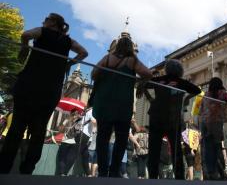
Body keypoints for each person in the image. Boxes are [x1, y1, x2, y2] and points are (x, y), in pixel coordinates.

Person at [0, 13, 88, 174]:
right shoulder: (67, 40)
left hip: (29, 85)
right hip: (50, 90)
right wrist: (68, 63)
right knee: (39, 131)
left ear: (53, 22)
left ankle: (4, 166)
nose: (43, 21)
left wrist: (24, 49)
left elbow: (26, 34)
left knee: (17, 127)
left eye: (46, 19)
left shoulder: (43, 31)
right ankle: (28, 168)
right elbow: (84, 52)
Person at [91, 36, 152, 177]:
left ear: (117, 47)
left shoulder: (107, 59)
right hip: (123, 105)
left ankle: (102, 171)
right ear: (131, 48)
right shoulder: (132, 60)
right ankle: (114, 171)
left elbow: (94, 74)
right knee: (121, 139)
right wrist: (141, 84)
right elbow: (148, 74)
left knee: (102, 138)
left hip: (105, 104)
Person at [140, 59, 201, 180]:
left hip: (156, 117)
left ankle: (153, 177)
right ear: (180, 71)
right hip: (173, 119)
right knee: (176, 150)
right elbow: (198, 90)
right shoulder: (181, 82)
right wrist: (187, 98)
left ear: (167, 69)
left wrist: (150, 99)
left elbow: (143, 84)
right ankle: (179, 178)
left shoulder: (159, 80)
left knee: (154, 150)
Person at [199, 77, 227, 180]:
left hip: (204, 124)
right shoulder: (222, 94)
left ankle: (210, 172)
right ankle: (218, 173)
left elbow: (200, 111)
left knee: (208, 149)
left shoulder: (205, 95)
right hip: (216, 124)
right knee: (217, 148)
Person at [55, 110, 81, 176]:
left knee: (62, 158)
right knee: (69, 159)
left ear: (70, 113)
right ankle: (65, 172)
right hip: (73, 142)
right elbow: (78, 133)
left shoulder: (67, 120)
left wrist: (62, 127)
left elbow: (60, 130)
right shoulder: (78, 122)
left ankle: (62, 173)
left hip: (65, 141)